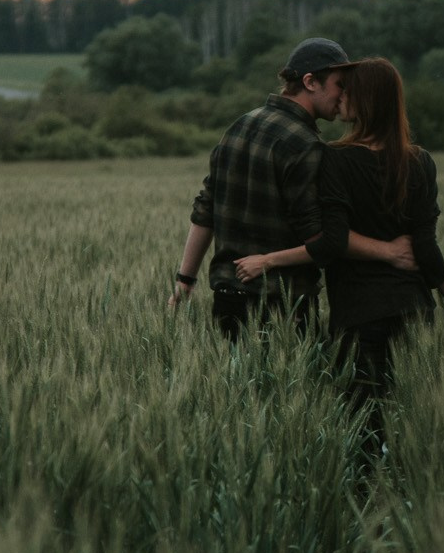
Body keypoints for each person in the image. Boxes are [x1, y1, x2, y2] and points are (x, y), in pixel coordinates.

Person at [234, 57, 444, 456]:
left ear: (367, 100)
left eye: (349, 90)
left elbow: (331, 242)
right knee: (411, 421)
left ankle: (369, 504)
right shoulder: (419, 161)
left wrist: (268, 260)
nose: (341, 97)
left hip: (359, 318)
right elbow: (425, 246)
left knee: (364, 429)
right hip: (415, 311)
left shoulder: (337, 159)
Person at [170, 38, 414, 340]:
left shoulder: (238, 126)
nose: (344, 97)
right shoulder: (305, 145)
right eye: (340, 85)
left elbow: (204, 211)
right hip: (281, 308)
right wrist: (389, 252)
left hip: (227, 301)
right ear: (311, 82)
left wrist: (185, 279)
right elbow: (322, 238)